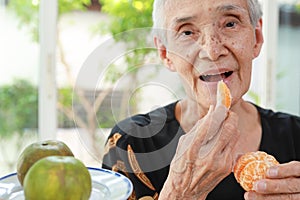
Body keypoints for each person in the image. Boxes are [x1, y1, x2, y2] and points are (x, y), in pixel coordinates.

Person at [102, 0, 300, 199]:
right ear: (165, 52)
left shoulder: (295, 136)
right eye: (187, 32)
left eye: (230, 24)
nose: (212, 52)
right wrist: (181, 192)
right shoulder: (132, 143)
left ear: (256, 38)